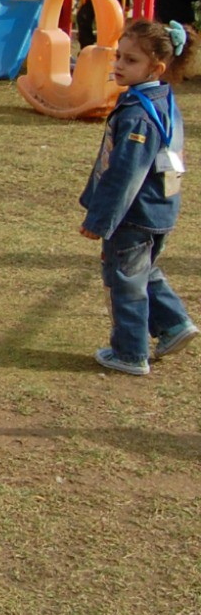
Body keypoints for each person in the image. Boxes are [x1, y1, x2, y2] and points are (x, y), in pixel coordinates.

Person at [78, 19, 194, 375]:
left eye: (130, 61)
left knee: (123, 280)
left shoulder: (138, 115)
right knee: (143, 271)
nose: (118, 65)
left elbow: (125, 174)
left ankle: (129, 353)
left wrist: (100, 221)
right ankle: (174, 324)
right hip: (159, 209)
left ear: (156, 68)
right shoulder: (161, 97)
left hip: (134, 214)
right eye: (118, 56)